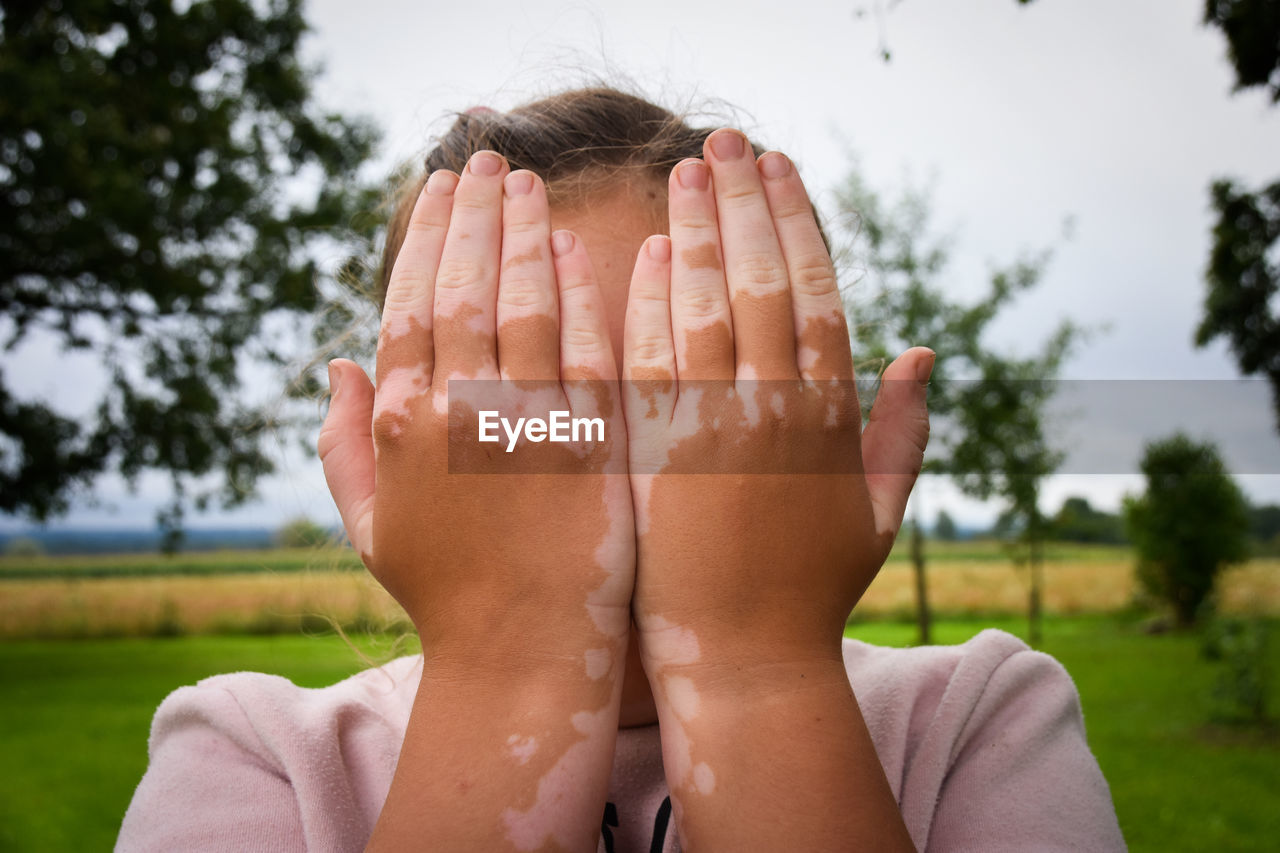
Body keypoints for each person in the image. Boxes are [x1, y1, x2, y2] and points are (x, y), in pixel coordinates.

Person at [116, 88, 1126, 852]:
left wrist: (755, 665)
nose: (603, 465)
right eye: (534, 391)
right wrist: (509, 659)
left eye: (696, 388)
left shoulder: (976, 722)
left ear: (811, 421)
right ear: (395, 438)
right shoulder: (253, 760)